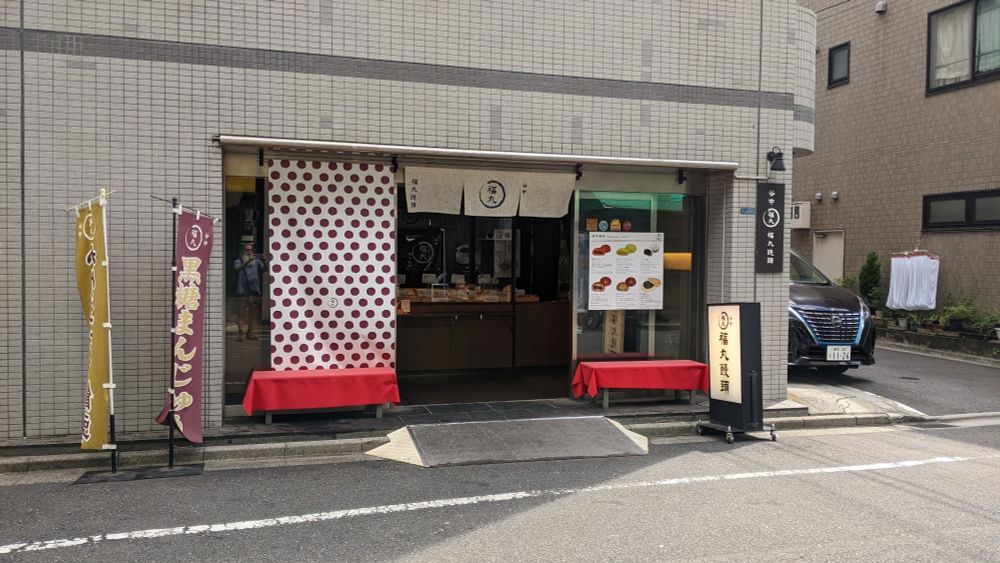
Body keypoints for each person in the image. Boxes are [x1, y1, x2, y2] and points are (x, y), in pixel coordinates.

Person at [234, 243, 265, 341]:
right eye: (247, 250)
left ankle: (249, 332)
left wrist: (264, 260)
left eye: (250, 250)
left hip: (254, 290)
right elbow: (237, 269)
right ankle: (240, 333)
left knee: (252, 313)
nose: (249, 251)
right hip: (242, 290)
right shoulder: (238, 260)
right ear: (243, 251)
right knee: (241, 312)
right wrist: (248, 262)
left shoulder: (257, 261)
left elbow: (264, 270)